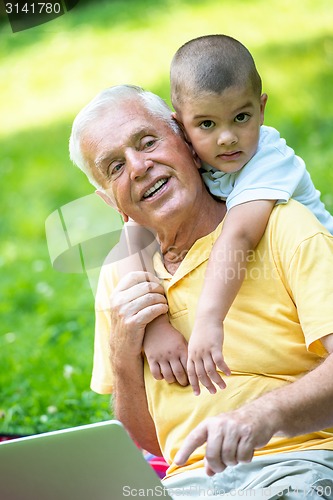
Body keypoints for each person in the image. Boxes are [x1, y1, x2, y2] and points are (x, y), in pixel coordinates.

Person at [69, 84, 333, 498]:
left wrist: (261, 417)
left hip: (297, 463)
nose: (138, 167)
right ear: (110, 201)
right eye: (115, 166)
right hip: (184, 488)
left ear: (187, 141)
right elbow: (154, 442)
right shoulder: (120, 278)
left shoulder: (283, 226)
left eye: (147, 141)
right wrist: (123, 353)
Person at [116, 35, 333, 397]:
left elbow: (238, 237)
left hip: (316, 279)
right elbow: (133, 231)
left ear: (262, 109)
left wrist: (207, 321)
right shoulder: (192, 161)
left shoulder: (268, 159)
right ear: (179, 126)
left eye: (241, 117)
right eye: (206, 125)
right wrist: (153, 326)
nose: (227, 138)